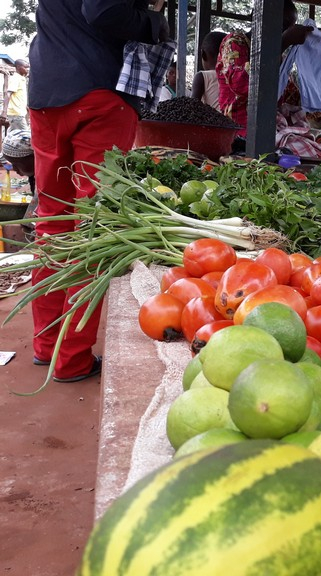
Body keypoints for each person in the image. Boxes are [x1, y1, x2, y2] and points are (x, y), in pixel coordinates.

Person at [28, 0, 170, 382]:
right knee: (92, 230)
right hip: (98, 98)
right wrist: (155, 22)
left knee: (53, 225)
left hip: (46, 95)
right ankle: (71, 360)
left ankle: (47, 347)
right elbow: (103, 10)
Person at [217, 0, 321, 138]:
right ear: (256, 16)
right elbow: (241, 84)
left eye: (289, 28)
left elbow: (292, 97)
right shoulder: (234, 43)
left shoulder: (278, 58)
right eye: (282, 25)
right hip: (236, 133)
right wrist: (283, 42)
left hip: (266, 132)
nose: (285, 31)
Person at [190, 31, 227, 109]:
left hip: (214, 121)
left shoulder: (202, 77)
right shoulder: (236, 76)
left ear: (203, 54)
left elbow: (192, 109)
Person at [2, 59, 30, 131]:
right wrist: (4, 111)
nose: (27, 69)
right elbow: (8, 94)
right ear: (18, 67)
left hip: (19, 113)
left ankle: (6, 142)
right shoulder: (16, 78)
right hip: (16, 114)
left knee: (13, 134)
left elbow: (20, 97)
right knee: (25, 136)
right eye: (25, 67)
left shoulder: (22, 79)